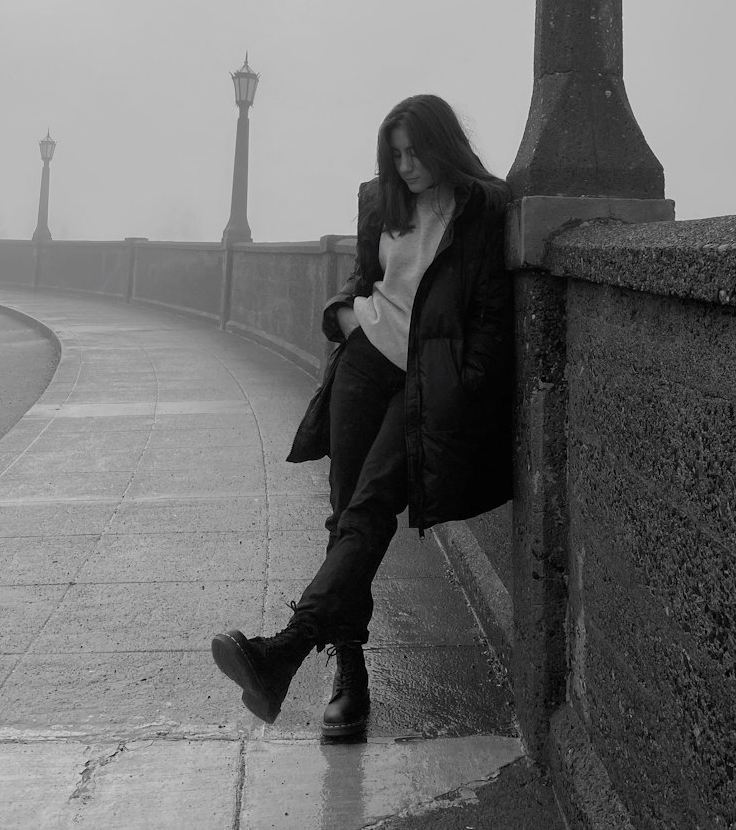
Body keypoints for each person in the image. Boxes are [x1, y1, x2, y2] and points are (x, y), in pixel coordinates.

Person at [211, 93, 513, 737]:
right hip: (362, 366)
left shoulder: (484, 208)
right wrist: (345, 317)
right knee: (347, 507)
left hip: (425, 382)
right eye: (395, 154)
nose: (405, 166)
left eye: (415, 152)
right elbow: (365, 279)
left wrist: (459, 390)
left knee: (371, 504)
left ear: (444, 145)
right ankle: (349, 675)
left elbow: (489, 319)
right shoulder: (382, 201)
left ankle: (286, 650)